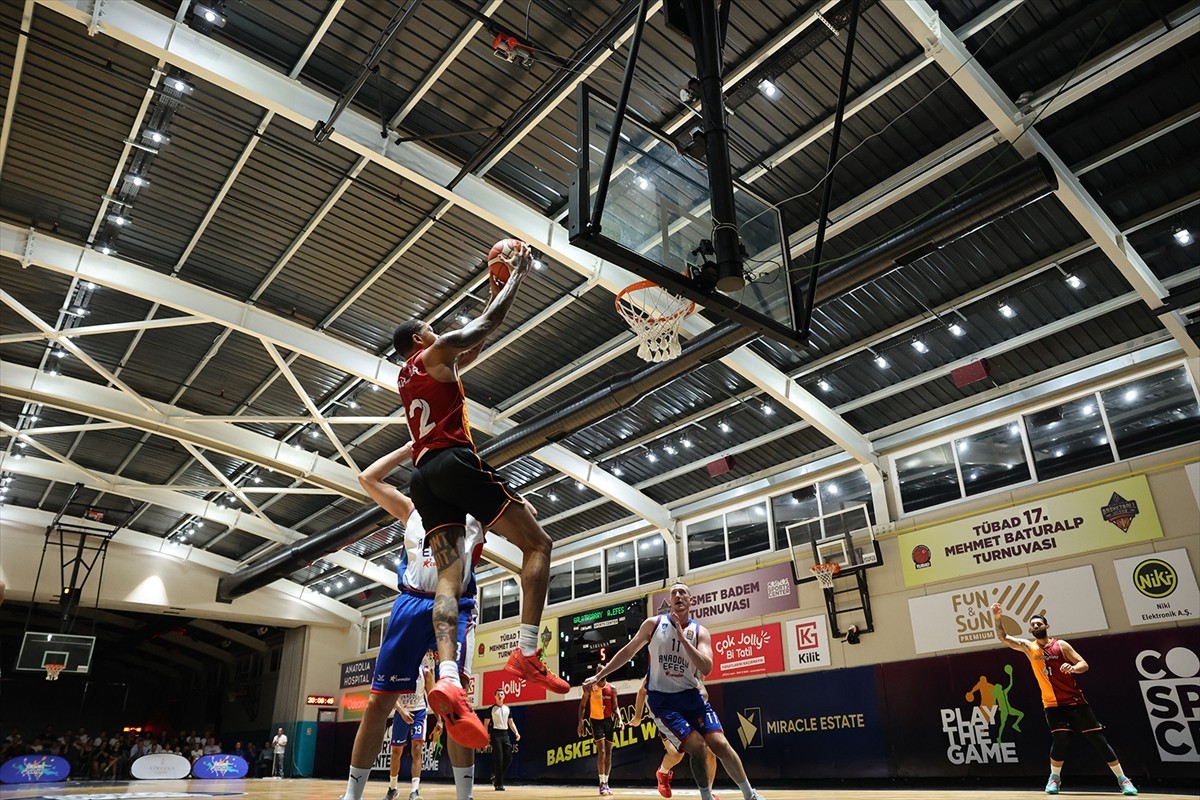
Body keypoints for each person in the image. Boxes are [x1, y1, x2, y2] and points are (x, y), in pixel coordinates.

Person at [392, 238, 568, 748]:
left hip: (423, 477)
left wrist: (493, 287)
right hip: (452, 461)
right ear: (421, 337)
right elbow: (482, 328)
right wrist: (516, 276)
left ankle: (447, 673)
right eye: (430, 327)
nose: (436, 328)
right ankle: (527, 652)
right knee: (538, 545)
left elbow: (472, 347)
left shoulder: (410, 375)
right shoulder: (432, 350)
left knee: (449, 576)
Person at [340, 442, 484, 800]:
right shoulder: (412, 510)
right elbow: (367, 477)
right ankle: (352, 795)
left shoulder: (475, 510)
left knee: (455, 706)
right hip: (410, 604)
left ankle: (464, 797)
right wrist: (409, 448)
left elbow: (518, 510)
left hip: (456, 605)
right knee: (378, 704)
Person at [584, 582, 764, 800]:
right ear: (670, 601)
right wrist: (600, 676)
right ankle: (704, 796)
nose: (678, 595)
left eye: (683, 592)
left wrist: (683, 640)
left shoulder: (700, 632)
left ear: (691, 600)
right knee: (696, 747)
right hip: (663, 701)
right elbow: (628, 651)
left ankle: (750, 795)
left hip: (690, 697)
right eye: (674, 593)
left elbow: (707, 666)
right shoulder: (654, 624)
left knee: (720, 744)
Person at [991, 603, 1137, 796]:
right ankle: (1055, 778)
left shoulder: (1061, 646)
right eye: (1033, 625)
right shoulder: (1029, 647)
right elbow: (1004, 638)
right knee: (1060, 740)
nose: (1036, 627)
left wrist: (1073, 668)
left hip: (1075, 702)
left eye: (1039, 624)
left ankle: (1123, 779)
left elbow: (1084, 664)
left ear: (1046, 626)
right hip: (1052, 705)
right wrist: (998, 617)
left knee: (1098, 740)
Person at [631, 676, 718, 799]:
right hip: (669, 715)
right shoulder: (658, 668)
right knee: (676, 754)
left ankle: (709, 793)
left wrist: (694, 699)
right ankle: (662, 772)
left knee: (709, 752)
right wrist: (637, 717)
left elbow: (704, 694)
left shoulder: (690, 668)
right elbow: (642, 691)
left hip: (690, 713)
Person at [386, 653, 443, 800]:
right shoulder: (398, 672)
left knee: (417, 749)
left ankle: (415, 790)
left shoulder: (425, 673)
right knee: (396, 753)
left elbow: (432, 697)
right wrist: (401, 710)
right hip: (401, 713)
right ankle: (393, 788)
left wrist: (439, 720)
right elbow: (390, 695)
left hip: (419, 713)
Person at [578, 663, 625, 796]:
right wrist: (580, 722)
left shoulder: (612, 689)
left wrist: (620, 720)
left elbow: (615, 707)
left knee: (609, 752)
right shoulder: (590, 688)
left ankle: (606, 782)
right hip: (596, 721)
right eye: (598, 672)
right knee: (602, 751)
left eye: (602, 672)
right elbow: (582, 706)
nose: (600, 675)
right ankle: (601, 783)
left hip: (608, 721)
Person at [485, 689, 520, 791]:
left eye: (502, 694)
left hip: (505, 734)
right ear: (495, 697)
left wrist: (516, 733)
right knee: (499, 759)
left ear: (504, 696)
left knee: (508, 758)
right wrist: (486, 737)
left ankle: (496, 776)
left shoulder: (507, 709)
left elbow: (511, 722)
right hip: (495, 734)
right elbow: (486, 724)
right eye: (498, 694)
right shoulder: (491, 709)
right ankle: (499, 784)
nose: (500, 696)